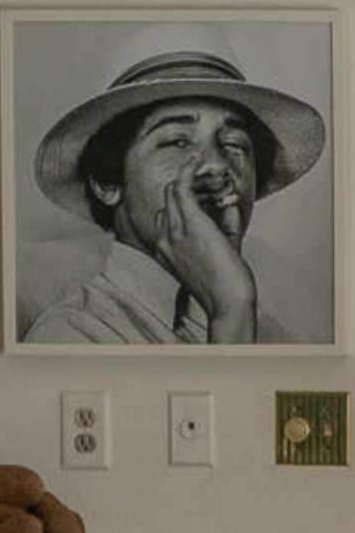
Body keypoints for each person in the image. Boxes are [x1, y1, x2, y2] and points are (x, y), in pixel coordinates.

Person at [21, 47, 326, 344]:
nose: (217, 166)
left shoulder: (271, 336)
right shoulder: (74, 335)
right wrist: (230, 316)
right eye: (177, 142)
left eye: (234, 143)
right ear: (107, 183)